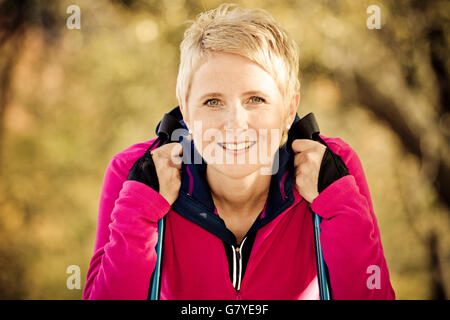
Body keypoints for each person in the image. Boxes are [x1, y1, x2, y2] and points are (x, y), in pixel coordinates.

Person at [84, 3, 395, 300]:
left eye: (256, 99)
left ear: (289, 110)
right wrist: (140, 209)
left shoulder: (334, 168)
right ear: (187, 113)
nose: (235, 124)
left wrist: (338, 203)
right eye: (213, 102)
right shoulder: (134, 173)